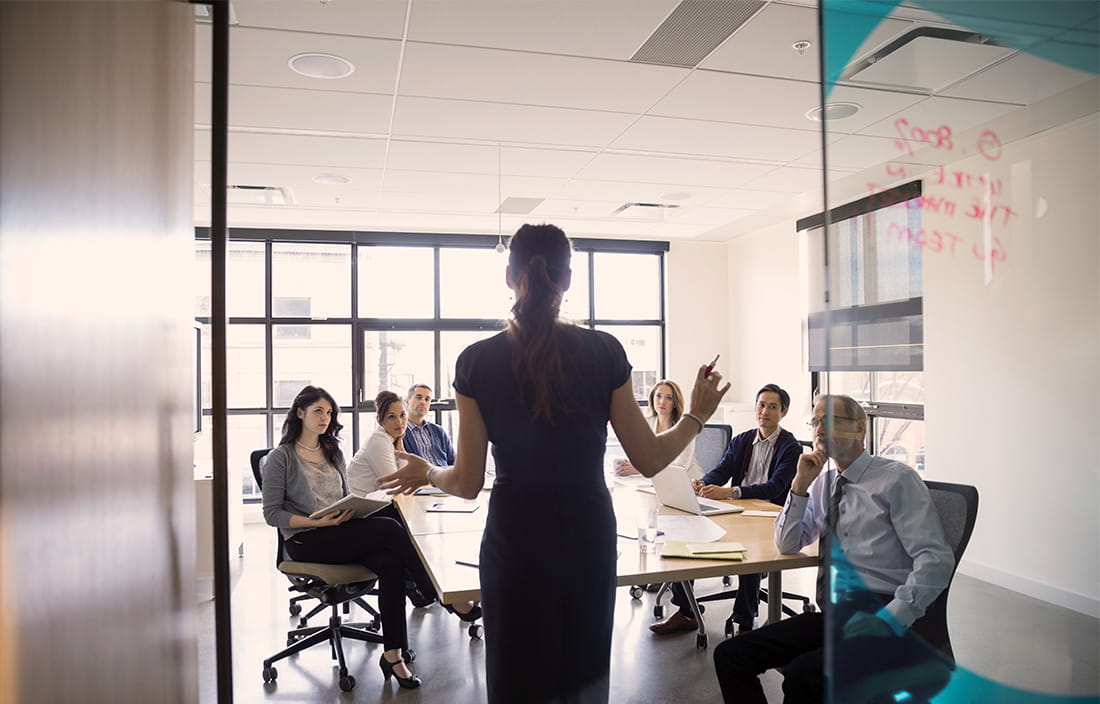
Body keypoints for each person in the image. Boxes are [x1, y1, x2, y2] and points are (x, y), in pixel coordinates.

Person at [379, 223, 729, 704]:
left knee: (517, 680)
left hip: (515, 540)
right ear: (566, 279)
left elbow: (464, 482)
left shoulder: (476, 362)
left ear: (509, 276)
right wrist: (696, 415)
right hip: (586, 536)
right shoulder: (604, 352)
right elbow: (650, 458)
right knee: (582, 679)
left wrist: (426, 472)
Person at [712, 394, 954, 704]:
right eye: (815, 422)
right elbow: (788, 543)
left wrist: (891, 618)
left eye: (830, 420)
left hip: (883, 607)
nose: (819, 429)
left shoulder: (896, 480)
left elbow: (935, 558)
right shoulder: (823, 482)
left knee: (803, 674)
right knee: (730, 655)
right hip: (837, 613)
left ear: (859, 429)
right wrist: (799, 485)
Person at [260, 385, 474, 691]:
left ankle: (393, 654)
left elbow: (345, 496)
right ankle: (442, 596)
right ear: (299, 413)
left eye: (329, 412)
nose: (325, 418)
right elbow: (272, 515)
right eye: (318, 411)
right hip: (305, 539)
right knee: (390, 529)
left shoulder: (333, 451)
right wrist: (315, 522)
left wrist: (354, 511)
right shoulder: (282, 456)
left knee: (389, 557)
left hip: (339, 530)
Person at [651, 383, 801, 636]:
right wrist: (704, 482)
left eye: (772, 407)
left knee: (751, 555)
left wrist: (732, 492)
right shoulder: (743, 440)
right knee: (687, 537)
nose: (764, 411)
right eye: (761, 405)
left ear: (783, 412)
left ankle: (744, 624)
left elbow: (775, 488)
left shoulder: (790, 447)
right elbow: (723, 470)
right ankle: (686, 612)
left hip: (771, 516)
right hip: (740, 512)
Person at [347, 389, 482, 613]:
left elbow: (405, 479)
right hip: (368, 512)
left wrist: (399, 444)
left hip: (384, 506)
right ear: (380, 419)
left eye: (402, 415)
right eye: (392, 417)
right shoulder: (379, 441)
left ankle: (436, 591)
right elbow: (397, 485)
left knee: (422, 529)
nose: (400, 421)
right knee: (413, 533)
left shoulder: (393, 440)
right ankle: (438, 592)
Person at [612, 379, 703, 480]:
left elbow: (681, 466)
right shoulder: (646, 423)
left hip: (688, 483)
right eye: (658, 396)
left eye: (669, 398)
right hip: (654, 482)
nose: (662, 402)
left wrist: (640, 469)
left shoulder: (685, 427)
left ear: (675, 403)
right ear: (652, 398)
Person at [401, 383, 456, 467]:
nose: (423, 402)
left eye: (427, 399)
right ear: (407, 401)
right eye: (419, 397)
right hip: (419, 478)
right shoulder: (399, 431)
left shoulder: (439, 431)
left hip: (444, 476)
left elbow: (453, 461)